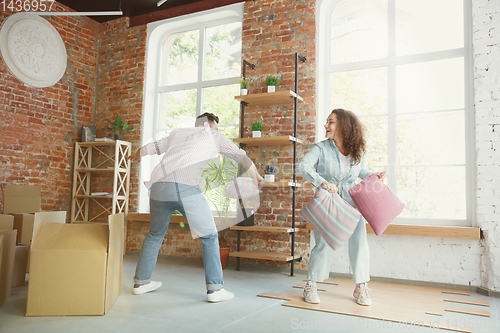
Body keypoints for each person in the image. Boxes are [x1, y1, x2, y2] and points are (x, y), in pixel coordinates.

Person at [128, 112, 264, 302]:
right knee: (209, 236)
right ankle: (215, 290)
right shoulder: (214, 136)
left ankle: (141, 283)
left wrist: (135, 157)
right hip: (185, 188)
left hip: (158, 187)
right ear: (207, 126)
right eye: (215, 127)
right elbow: (241, 156)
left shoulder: (177, 133)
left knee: (155, 234)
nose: (217, 131)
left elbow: (145, 149)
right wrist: (255, 175)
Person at [297, 108, 378, 306]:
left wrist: (375, 176)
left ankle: (361, 287)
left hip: (351, 201)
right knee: (323, 243)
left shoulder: (357, 150)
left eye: (330, 122)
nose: (326, 125)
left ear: (343, 126)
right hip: (328, 200)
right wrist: (321, 182)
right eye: (327, 122)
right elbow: (303, 166)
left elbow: (362, 171)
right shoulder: (321, 148)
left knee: (359, 241)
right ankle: (311, 285)